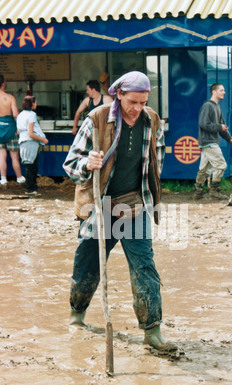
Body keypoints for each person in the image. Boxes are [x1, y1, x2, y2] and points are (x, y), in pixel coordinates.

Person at [63, 71, 177, 352]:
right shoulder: (97, 120)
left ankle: (152, 331)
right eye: (132, 102)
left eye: (143, 102)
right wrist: (87, 163)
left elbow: (155, 158)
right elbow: (70, 163)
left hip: (134, 207)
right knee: (87, 264)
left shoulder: (151, 120)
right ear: (119, 95)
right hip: (99, 207)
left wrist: (148, 196)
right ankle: (77, 314)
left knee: (145, 268)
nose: (137, 108)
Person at [194, 83, 232, 199]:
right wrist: (219, 127)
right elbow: (203, 124)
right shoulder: (208, 106)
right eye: (222, 90)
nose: (224, 92)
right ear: (214, 91)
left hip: (208, 142)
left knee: (205, 169)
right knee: (221, 165)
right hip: (209, 142)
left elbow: (221, 126)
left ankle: (198, 192)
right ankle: (214, 190)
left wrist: (229, 138)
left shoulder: (217, 107)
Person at [0, 74, 25, 187]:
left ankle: (3, 180)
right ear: (3, 84)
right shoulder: (10, 97)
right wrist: (18, 128)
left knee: (1, 157)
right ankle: (19, 179)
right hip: (11, 129)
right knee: (14, 157)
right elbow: (15, 114)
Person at [17, 95, 49, 195]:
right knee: (32, 167)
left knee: (29, 166)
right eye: (35, 102)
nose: (36, 104)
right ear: (32, 104)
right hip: (30, 143)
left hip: (22, 142)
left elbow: (18, 132)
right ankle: (31, 189)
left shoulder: (20, 115)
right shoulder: (31, 115)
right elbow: (31, 133)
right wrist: (43, 139)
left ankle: (30, 188)